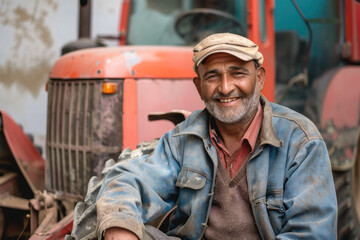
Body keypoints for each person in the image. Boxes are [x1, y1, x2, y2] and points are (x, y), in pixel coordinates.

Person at [95, 33, 337, 240]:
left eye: (237, 73)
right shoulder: (183, 139)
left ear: (259, 78)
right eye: (212, 76)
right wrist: (119, 224)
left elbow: (311, 232)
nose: (225, 87)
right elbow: (130, 179)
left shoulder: (301, 142)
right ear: (199, 86)